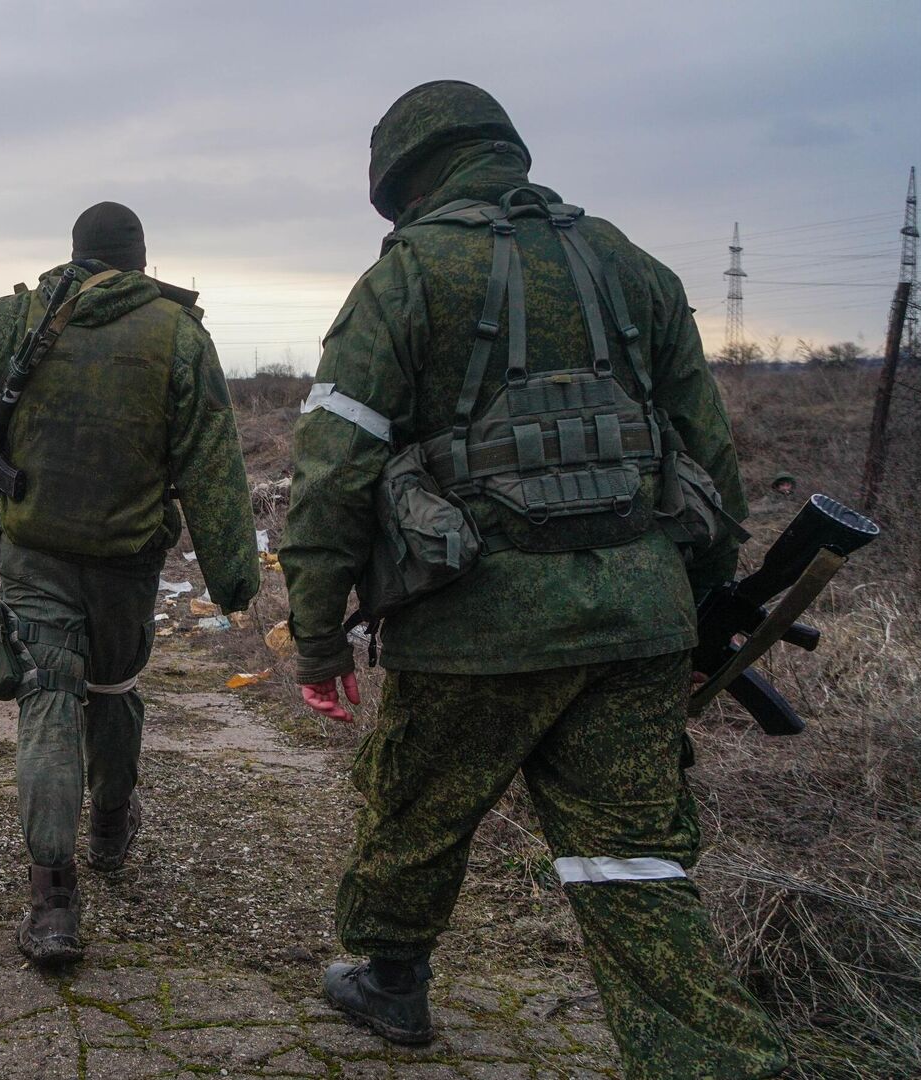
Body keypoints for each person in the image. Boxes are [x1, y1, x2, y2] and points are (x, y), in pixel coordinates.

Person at [279, 81, 791, 1077]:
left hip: (475, 627)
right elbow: (711, 458)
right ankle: (713, 1058)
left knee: (415, 810)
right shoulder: (629, 265)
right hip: (639, 616)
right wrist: (699, 610)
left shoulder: (406, 279)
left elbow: (331, 475)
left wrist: (316, 638)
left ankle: (391, 982)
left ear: (401, 179)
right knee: (634, 859)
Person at [0, 201, 259, 964]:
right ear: (142, 260)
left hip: (33, 552)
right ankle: (110, 830)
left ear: (73, 253)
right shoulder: (179, 334)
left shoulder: (20, 315)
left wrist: (6, 418)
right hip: (125, 564)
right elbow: (213, 468)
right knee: (112, 692)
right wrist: (234, 581)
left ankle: (52, 909)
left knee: (45, 699)